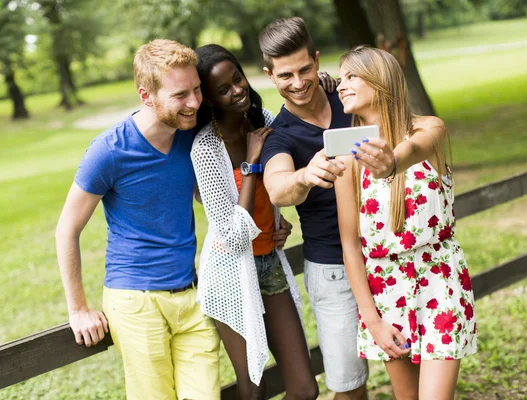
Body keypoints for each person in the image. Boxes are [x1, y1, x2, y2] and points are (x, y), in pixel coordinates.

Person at [55, 39, 220, 399]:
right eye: (180, 95)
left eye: (196, 90)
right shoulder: (109, 151)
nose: (193, 102)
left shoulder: (190, 135)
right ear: (146, 96)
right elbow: (67, 228)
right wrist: (78, 308)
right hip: (136, 302)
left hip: (193, 298)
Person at [334, 45, 477, 400]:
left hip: (438, 280)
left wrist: (390, 163)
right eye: (339, 79)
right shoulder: (346, 157)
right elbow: (350, 244)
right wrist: (373, 321)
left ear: (379, 80)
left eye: (351, 75)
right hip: (385, 291)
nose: (341, 85)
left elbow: (412, 151)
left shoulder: (430, 129)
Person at [190, 43, 319, 399]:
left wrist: (279, 219)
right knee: (252, 388)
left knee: (305, 389)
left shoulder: (265, 123)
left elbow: (283, 183)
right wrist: (250, 165)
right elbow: (232, 237)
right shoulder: (204, 148)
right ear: (209, 100)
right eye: (223, 89)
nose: (237, 90)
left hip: (270, 263)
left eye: (238, 79)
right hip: (229, 273)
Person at [258, 17, 369, 399]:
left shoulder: (352, 98)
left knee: (411, 362)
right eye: (285, 74)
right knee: (350, 385)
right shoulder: (280, 137)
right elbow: (277, 188)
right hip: (333, 270)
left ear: (318, 60)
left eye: (306, 69)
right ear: (270, 75)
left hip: (390, 255)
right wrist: (305, 175)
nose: (299, 82)